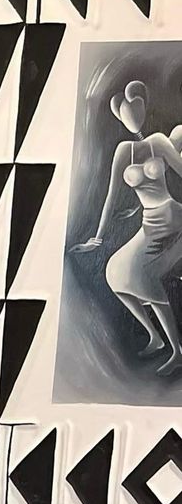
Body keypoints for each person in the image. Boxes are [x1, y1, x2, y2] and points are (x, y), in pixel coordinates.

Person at [71, 80, 182, 376]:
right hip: (149, 220)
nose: (133, 117)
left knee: (143, 275)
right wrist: (97, 237)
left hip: (172, 216)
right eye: (126, 113)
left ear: (143, 107)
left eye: (136, 109)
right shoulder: (123, 151)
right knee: (115, 271)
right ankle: (156, 338)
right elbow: (110, 197)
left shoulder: (159, 142)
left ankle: (177, 350)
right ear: (120, 116)